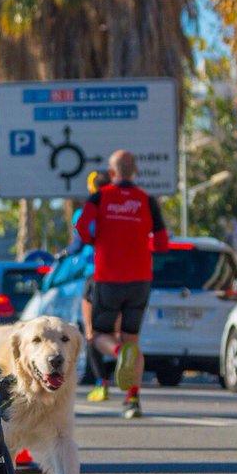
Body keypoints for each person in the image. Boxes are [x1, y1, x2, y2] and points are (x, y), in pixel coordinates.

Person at [75, 150, 169, 419]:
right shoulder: (147, 200)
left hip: (108, 278)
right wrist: (141, 245)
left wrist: (97, 242)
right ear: (135, 171)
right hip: (140, 279)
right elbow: (162, 243)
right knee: (133, 339)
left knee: (97, 335)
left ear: (112, 172)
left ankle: (118, 352)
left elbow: (81, 228)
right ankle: (132, 400)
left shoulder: (99, 197)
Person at [65, 170, 116, 403]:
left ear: (91, 187)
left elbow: (78, 244)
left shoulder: (85, 212)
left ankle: (101, 383)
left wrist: (62, 254)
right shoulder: (121, 211)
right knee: (120, 334)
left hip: (95, 276)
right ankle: (131, 391)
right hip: (122, 277)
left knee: (91, 332)